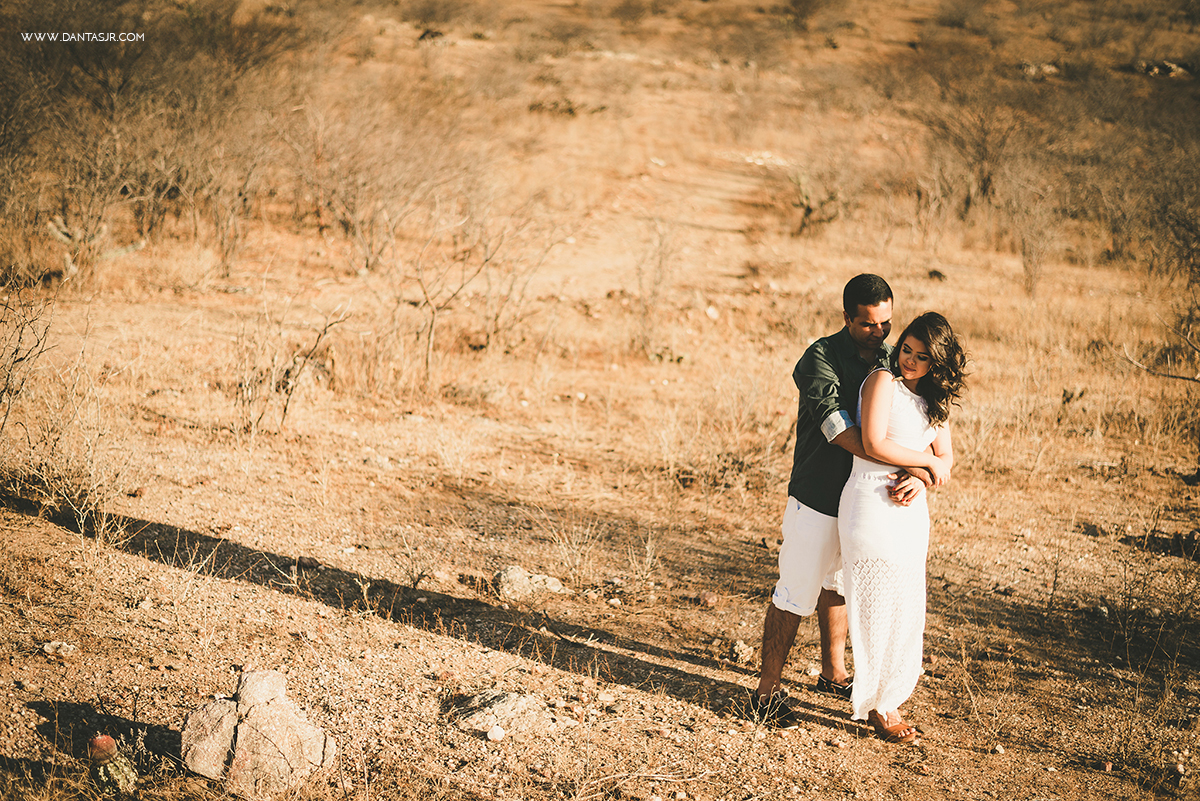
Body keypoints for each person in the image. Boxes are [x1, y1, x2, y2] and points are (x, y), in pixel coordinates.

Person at [749, 274, 927, 729]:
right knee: (795, 591)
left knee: (841, 584)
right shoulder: (819, 357)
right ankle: (765, 693)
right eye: (868, 324)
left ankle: (834, 672)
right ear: (847, 317)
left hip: (865, 503)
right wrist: (907, 462)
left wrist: (919, 474)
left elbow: (918, 426)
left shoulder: (895, 357)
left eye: (886, 322)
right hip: (817, 493)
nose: (880, 333)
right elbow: (839, 430)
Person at [838, 311, 966, 743]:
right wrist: (924, 461)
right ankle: (879, 703)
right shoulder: (881, 382)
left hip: (911, 512)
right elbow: (873, 442)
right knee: (876, 606)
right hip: (870, 502)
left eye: (922, 356)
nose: (908, 361)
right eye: (906, 350)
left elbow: (947, 460)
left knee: (906, 604)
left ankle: (889, 693)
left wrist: (922, 476)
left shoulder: (935, 403)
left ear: (938, 363)